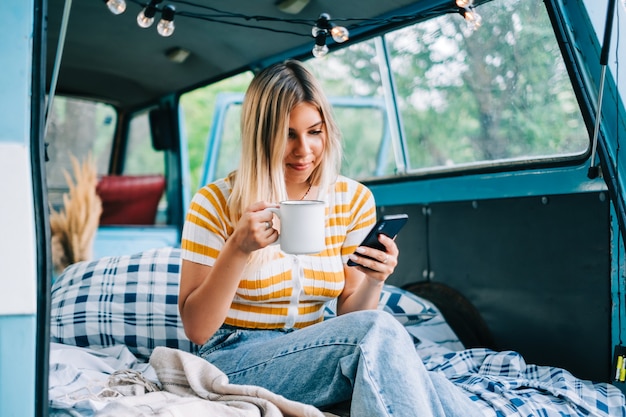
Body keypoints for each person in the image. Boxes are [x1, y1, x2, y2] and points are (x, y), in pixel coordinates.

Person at [178, 59, 482, 416]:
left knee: (415, 373)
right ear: (261, 134)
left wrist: (374, 278)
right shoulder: (214, 202)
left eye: (314, 131)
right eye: (287, 133)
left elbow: (352, 315)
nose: (303, 149)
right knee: (382, 339)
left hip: (315, 348)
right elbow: (197, 330)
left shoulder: (352, 200)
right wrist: (238, 249)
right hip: (233, 357)